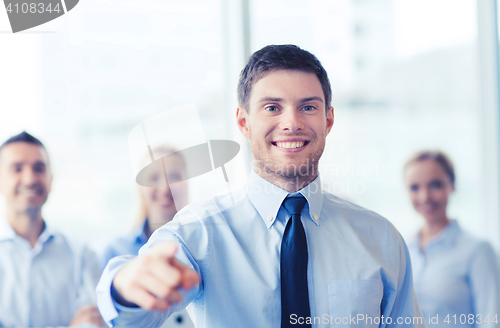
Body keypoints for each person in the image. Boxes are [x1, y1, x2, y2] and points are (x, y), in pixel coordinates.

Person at [97, 44, 424, 327]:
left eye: (308, 107)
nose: (292, 122)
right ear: (243, 122)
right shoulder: (200, 232)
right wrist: (124, 287)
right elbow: (132, 319)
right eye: (272, 107)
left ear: (328, 120)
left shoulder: (380, 238)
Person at [0, 131, 104, 328]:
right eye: (17, 168)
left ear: (50, 179)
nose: (29, 179)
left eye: (39, 168)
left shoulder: (82, 255)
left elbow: (92, 324)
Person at [404, 150, 500, 327]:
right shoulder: (402, 249)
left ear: (452, 185)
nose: (424, 196)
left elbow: (491, 320)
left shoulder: (478, 250)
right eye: (415, 187)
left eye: (435, 185)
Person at [100, 146, 193, 327]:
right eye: (153, 177)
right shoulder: (115, 250)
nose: (164, 187)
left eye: (174, 176)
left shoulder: (205, 243)